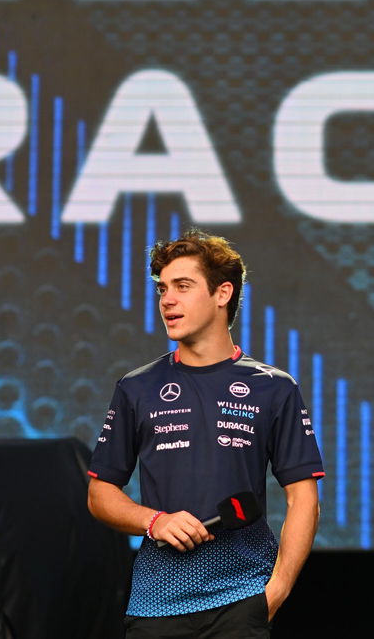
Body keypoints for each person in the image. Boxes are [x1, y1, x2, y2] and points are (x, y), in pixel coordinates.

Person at [87, 230, 324, 638]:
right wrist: (154, 520)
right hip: (155, 601)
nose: (167, 300)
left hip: (243, 597)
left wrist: (277, 591)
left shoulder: (275, 386)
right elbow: (100, 494)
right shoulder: (136, 387)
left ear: (223, 293)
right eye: (162, 288)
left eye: (183, 286)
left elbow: (303, 497)